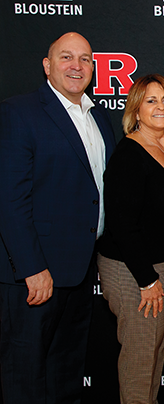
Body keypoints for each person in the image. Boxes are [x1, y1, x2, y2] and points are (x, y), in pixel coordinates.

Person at [0, 32, 116, 404]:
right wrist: (32, 268)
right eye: (66, 57)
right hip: (35, 276)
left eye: (84, 59)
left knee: (66, 371)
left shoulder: (99, 117)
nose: (76, 66)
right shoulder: (19, 112)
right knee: (26, 375)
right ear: (48, 66)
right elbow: (9, 198)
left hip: (80, 271)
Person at [97, 74, 164, 403]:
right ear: (136, 110)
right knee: (140, 359)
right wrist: (146, 279)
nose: (160, 107)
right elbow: (121, 224)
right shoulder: (129, 155)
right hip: (134, 271)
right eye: (151, 100)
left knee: (156, 350)